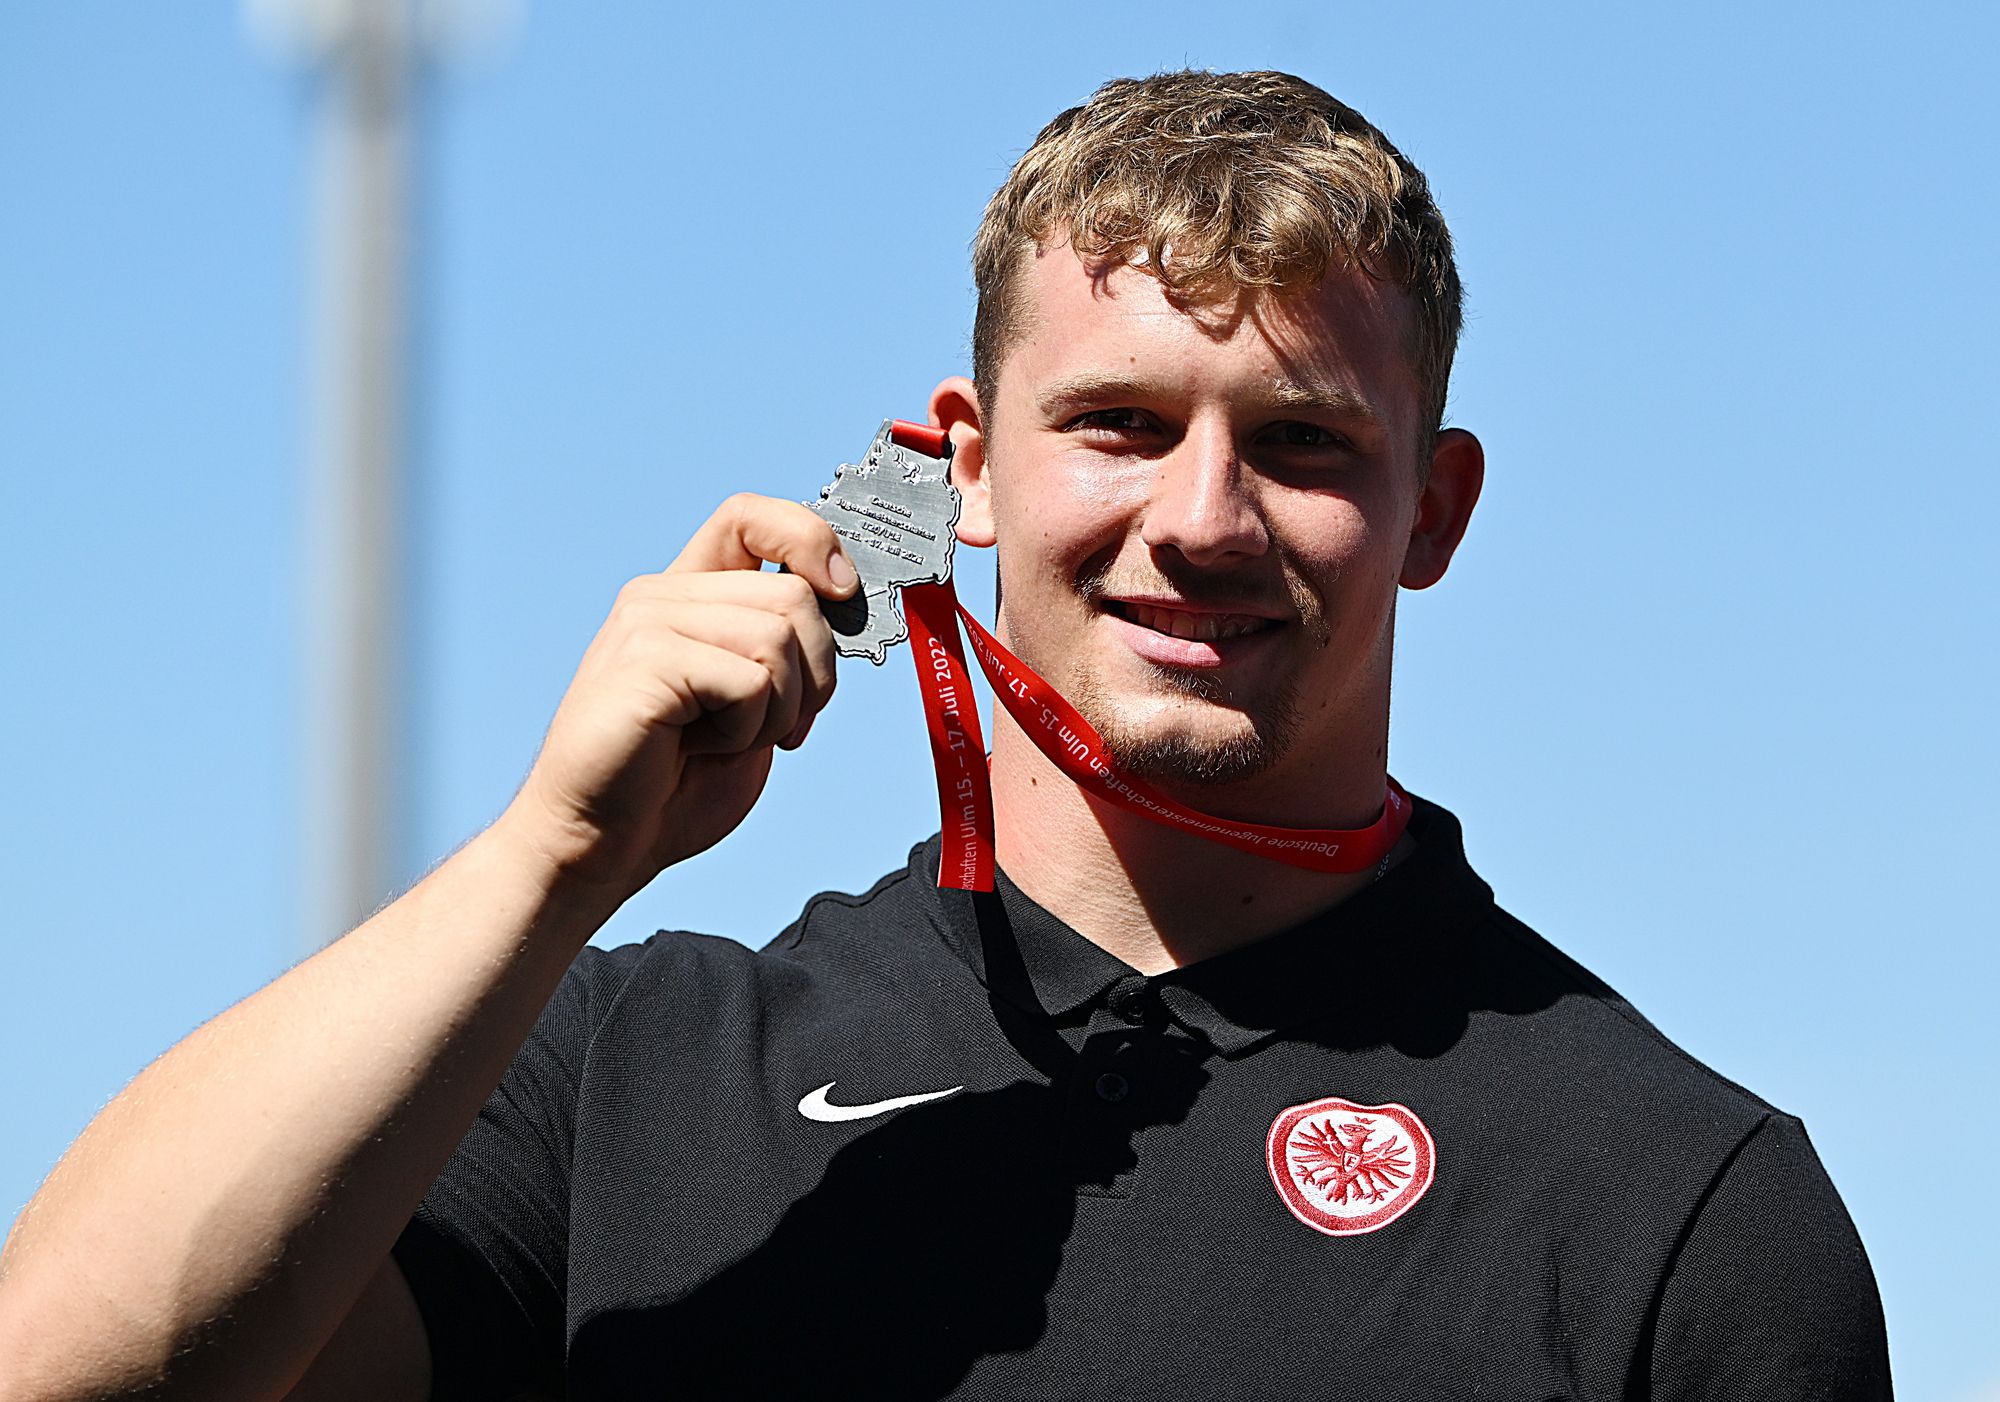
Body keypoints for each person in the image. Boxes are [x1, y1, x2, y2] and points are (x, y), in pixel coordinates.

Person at [0, 69, 1890, 1401]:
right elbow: (67, 1364)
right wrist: (550, 860)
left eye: (1303, 440)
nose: (1204, 517)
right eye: (1119, 423)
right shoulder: (638, 1075)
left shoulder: (1676, 1199)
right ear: (964, 469)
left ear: (1437, 509)